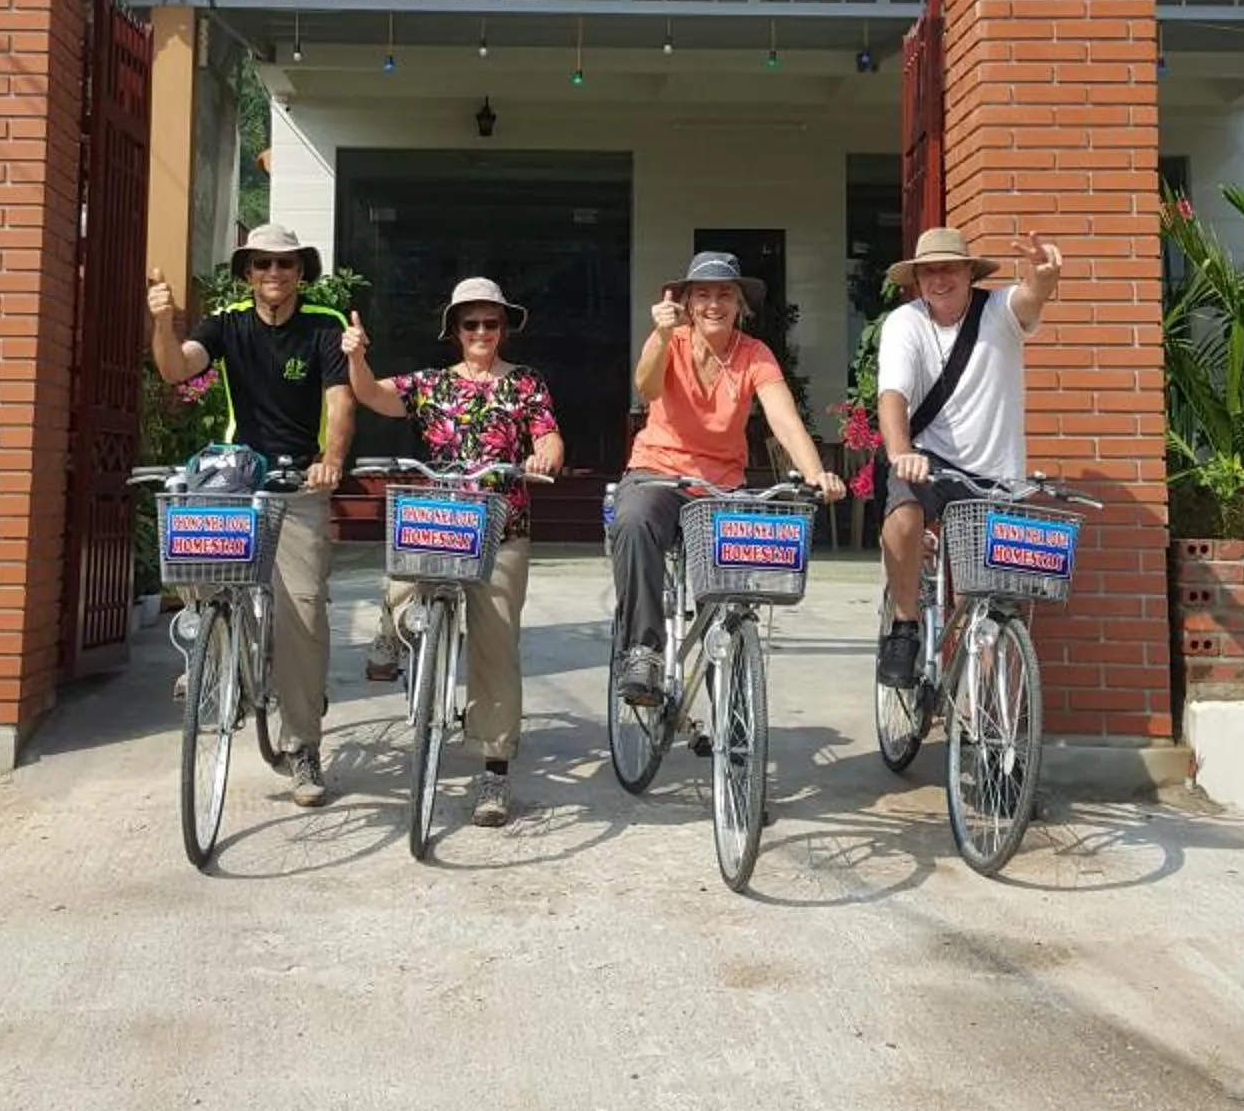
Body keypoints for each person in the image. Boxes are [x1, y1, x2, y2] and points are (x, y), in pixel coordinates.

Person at [340, 277, 564, 828]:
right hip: (440, 518)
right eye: (471, 324)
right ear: (455, 332)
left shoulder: (527, 384)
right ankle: (392, 630)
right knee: (401, 577)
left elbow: (550, 437)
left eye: (491, 323)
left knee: (495, 647)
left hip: (501, 524)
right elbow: (371, 395)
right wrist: (357, 358)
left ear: (504, 327)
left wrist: (544, 458)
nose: (482, 333)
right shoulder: (431, 384)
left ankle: (494, 767)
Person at [147, 223, 354, 806]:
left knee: (303, 614)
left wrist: (330, 461)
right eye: (262, 265)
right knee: (190, 533)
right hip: (242, 474)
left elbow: (340, 405)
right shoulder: (227, 321)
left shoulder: (324, 327)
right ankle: (214, 652)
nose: (273, 275)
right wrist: (162, 323)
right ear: (247, 273)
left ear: (299, 273)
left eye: (284, 265)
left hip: (300, 483)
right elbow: (175, 368)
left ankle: (304, 747)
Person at [612, 251, 845, 706]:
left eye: (724, 294)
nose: (713, 304)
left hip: (719, 485)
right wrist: (661, 334)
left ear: (741, 305)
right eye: (702, 294)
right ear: (686, 302)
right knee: (634, 521)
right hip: (657, 471)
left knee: (729, 591)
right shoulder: (670, 340)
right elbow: (648, 388)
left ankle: (730, 705)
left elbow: (784, 419)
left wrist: (817, 474)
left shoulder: (754, 354)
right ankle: (643, 650)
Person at [873, 225, 1063, 688]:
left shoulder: (997, 310)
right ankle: (904, 626)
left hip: (998, 477)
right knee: (904, 512)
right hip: (929, 462)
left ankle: (987, 726)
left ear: (968, 273)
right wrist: (900, 453)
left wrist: (1043, 277)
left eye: (950, 269)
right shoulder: (905, 323)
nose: (940, 280)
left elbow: (1030, 299)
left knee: (994, 602)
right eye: (929, 272)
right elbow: (893, 394)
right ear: (917, 280)